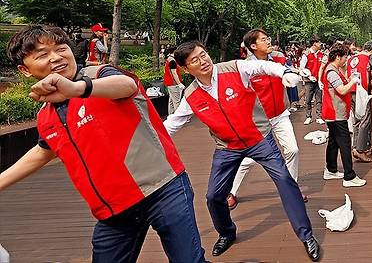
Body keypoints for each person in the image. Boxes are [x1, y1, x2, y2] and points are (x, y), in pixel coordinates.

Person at [0, 25, 208, 263]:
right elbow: (43, 151)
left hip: (162, 189)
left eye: (61, 48)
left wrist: (77, 89)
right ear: (24, 70)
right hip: (113, 211)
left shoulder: (100, 75)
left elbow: (127, 86)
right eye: (42, 55)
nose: (56, 57)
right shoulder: (46, 116)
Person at [163, 41, 321, 261]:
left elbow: (262, 67)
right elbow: (173, 123)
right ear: (186, 69)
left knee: (285, 179)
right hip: (227, 147)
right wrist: (150, 142)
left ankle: (306, 235)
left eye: (203, 54)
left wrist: (284, 71)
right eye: (194, 60)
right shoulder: (190, 95)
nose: (203, 61)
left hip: (259, 139)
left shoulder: (234, 68)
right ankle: (227, 232)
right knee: (213, 196)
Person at [226, 29, 307, 210]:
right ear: (253, 46)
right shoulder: (244, 68)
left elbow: (289, 71)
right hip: (258, 121)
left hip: (280, 115)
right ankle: (231, 192)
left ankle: (291, 189)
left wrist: (300, 74)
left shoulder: (278, 60)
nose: (269, 42)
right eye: (264, 40)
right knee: (248, 159)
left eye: (268, 38)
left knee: (292, 150)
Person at [321, 45, 367, 188]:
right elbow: (341, 90)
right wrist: (353, 81)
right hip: (335, 113)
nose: (346, 59)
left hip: (333, 112)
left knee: (334, 142)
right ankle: (349, 176)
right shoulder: (332, 72)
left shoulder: (333, 69)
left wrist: (349, 78)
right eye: (345, 57)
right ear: (338, 57)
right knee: (345, 143)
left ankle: (331, 169)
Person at [299, 38, 324, 125]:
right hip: (309, 81)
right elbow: (301, 68)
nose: (320, 44)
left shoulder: (322, 54)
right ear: (314, 43)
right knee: (308, 99)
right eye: (319, 42)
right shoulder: (306, 54)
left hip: (319, 80)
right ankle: (308, 116)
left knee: (319, 99)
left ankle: (319, 117)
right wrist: (309, 76)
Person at [163, 46, 185, 114]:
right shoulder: (172, 61)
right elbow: (174, 73)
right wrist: (179, 84)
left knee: (171, 101)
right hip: (174, 84)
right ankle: (178, 118)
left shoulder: (168, 59)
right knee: (177, 101)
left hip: (169, 83)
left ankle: (171, 115)